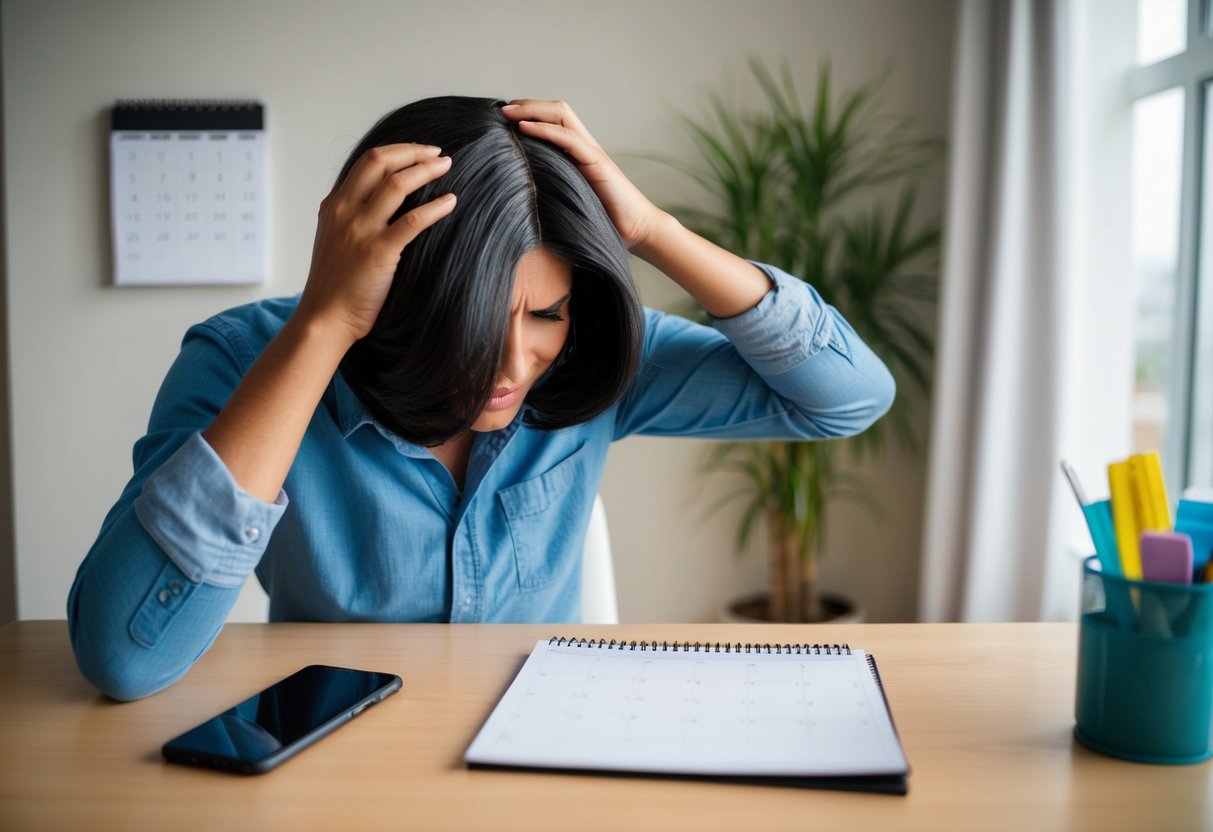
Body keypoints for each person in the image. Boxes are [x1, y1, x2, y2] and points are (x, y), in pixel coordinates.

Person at [68, 96, 895, 701]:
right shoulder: (244, 358)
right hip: (338, 752)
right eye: (472, 321)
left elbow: (847, 398)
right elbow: (125, 659)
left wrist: (646, 230)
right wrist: (322, 327)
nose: (513, 362)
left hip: (547, 743)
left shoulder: (591, 356)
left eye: (546, 313)